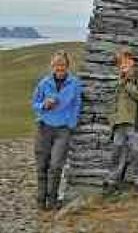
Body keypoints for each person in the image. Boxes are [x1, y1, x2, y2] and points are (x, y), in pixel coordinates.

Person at [31, 49, 83, 211]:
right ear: (52, 66)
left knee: (56, 165)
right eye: (56, 66)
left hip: (63, 130)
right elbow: (35, 103)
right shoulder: (44, 83)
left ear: (67, 66)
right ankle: (41, 201)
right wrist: (43, 105)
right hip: (44, 127)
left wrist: (71, 124)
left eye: (62, 66)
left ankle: (52, 201)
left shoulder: (74, 83)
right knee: (42, 165)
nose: (59, 70)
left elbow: (76, 104)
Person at [104, 46, 138, 195]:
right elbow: (112, 101)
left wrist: (128, 85)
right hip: (119, 123)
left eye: (126, 60)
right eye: (120, 62)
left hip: (135, 122)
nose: (123, 64)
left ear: (132, 61)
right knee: (117, 152)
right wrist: (112, 118)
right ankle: (113, 182)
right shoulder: (118, 81)